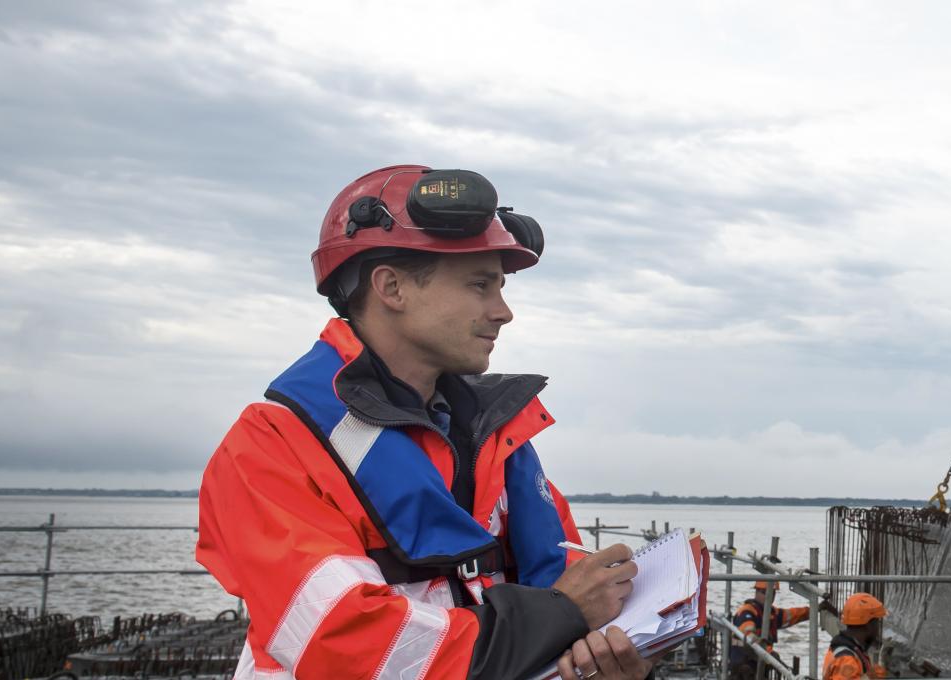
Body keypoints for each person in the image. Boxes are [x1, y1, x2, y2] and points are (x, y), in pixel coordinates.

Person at [196, 165, 649, 680]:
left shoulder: (496, 436)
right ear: (391, 288)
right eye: (481, 285)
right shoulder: (270, 446)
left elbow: (571, 587)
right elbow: (350, 646)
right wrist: (562, 615)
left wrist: (605, 659)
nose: (504, 312)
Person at [728, 581, 813, 680]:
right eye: (765, 593)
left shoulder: (771, 613)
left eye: (772, 593)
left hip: (758, 664)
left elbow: (791, 615)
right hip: (741, 665)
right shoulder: (747, 612)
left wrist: (813, 610)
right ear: (757, 592)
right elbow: (750, 637)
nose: (769, 597)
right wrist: (769, 653)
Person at [823, 593, 889, 680]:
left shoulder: (850, 648)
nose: (878, 629)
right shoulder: (847, 659)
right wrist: (870, 678)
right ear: (869, 625)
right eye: (877, 623)